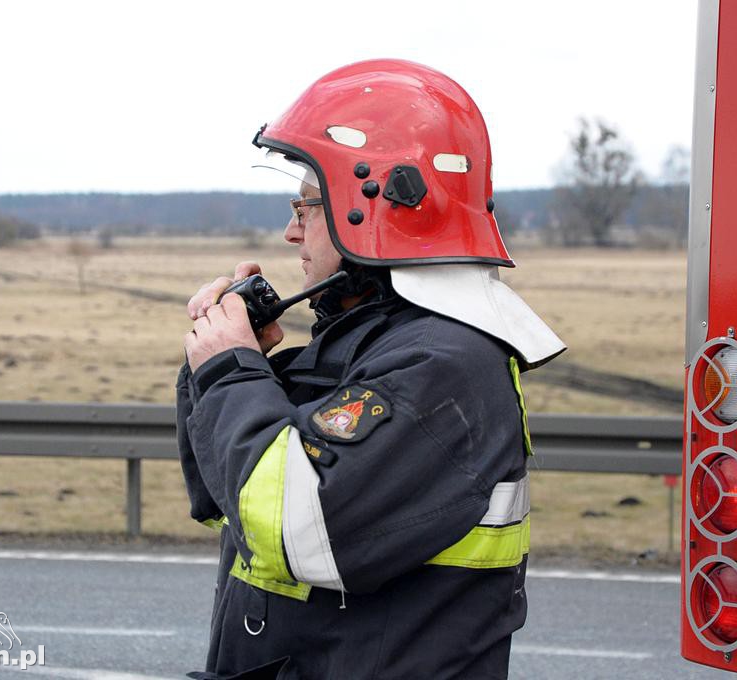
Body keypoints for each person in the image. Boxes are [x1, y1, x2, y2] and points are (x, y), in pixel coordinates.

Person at [176, 59, 565, 680]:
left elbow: (297, 534)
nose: (289, 232)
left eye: (306, 206)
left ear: (372, 203)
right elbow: (228, 502)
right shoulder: (367, 343)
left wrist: (232, 374)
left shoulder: (443, 366)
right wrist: (237, 369)